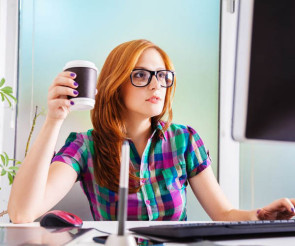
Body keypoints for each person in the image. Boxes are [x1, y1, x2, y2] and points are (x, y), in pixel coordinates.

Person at [8, 39, 295, 223]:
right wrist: (53, 120)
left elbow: (224, 214)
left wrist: (262, 215)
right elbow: (22, 214)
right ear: (115, 84)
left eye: (162, 76)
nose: (156, 84)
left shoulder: (184, 140)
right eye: (142, 75)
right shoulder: (86, 146)